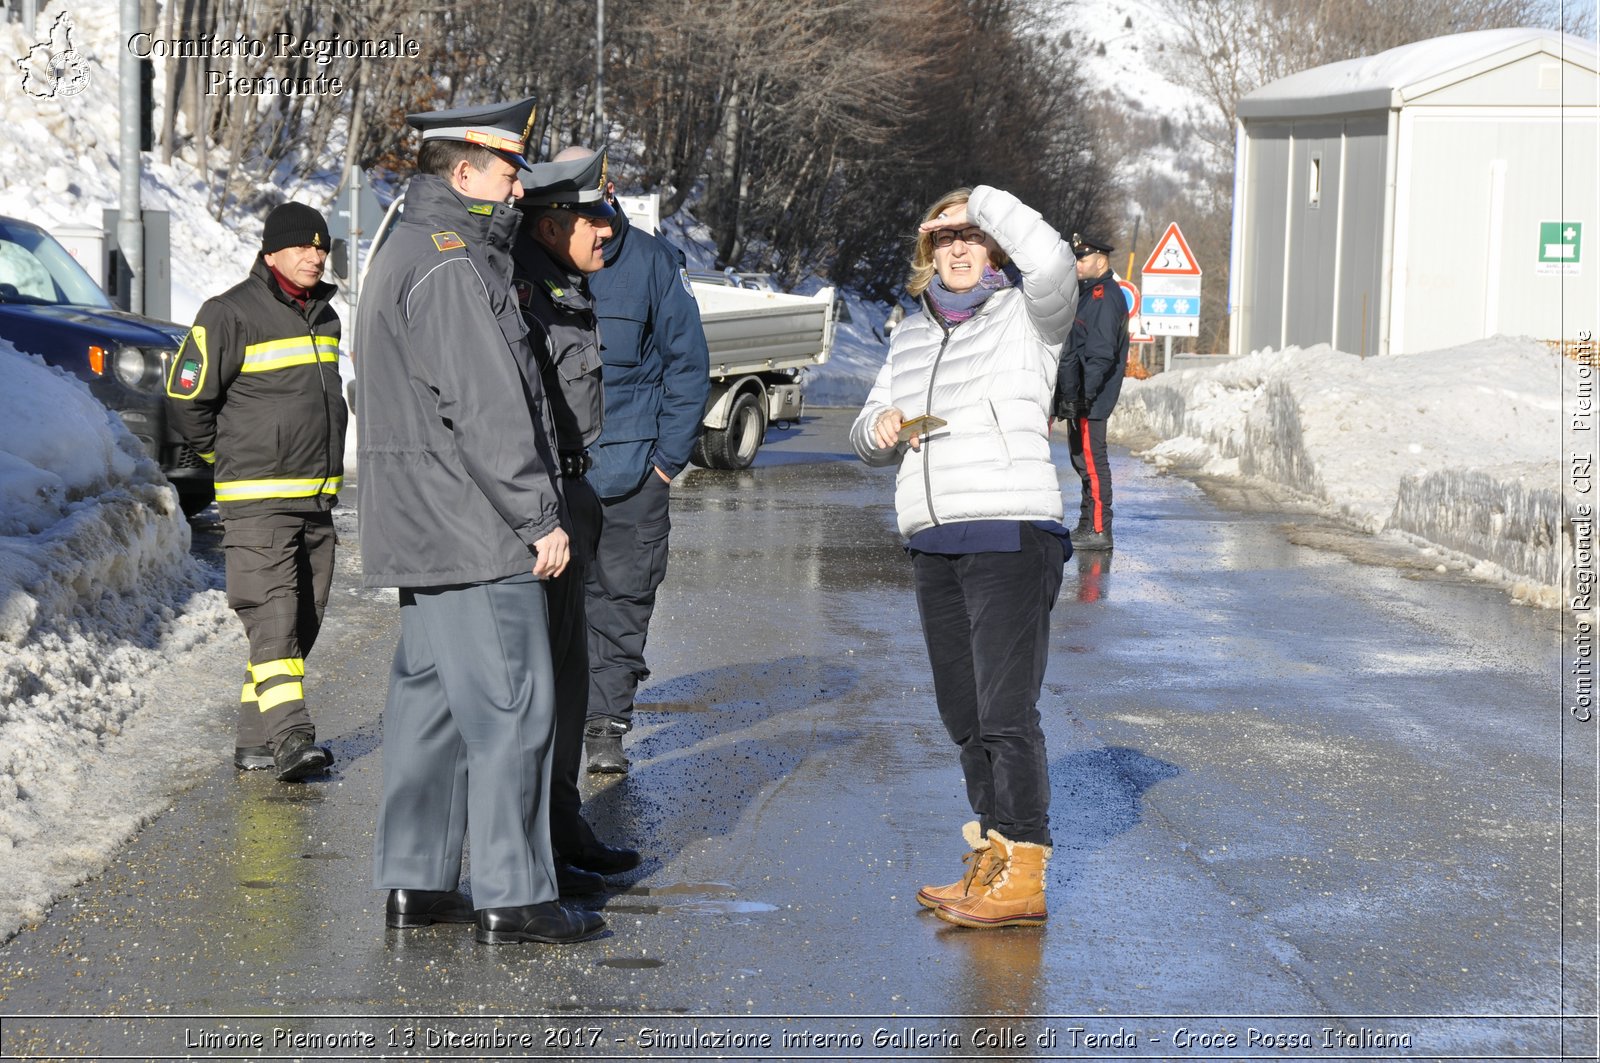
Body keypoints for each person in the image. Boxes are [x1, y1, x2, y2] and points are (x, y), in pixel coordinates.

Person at [357, 96, 603, 945]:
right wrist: (540, 516)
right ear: (463, 173)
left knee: (428, 707)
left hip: (424, 524)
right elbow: (490, 407)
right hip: (474, 524)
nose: (515, 188)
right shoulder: (453, 262)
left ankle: (418, 880)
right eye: (505, 171)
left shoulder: (404, 249)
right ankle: (515, 892)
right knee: (512, 709)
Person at [851, 185, 1076, 929]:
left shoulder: (1030, 315)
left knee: (1007, 711)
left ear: (993, 246)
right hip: (933, 540)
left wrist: (978, 197)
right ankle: (993, 853)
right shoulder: (910, 331)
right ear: (927, 252)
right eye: (943, 237)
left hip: (1011, 532)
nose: (956, 247)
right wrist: (877, 427)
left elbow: (1054, 259)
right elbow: (864, 426)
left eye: (970, 235)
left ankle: (1026, 866)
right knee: (964, 713)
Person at [165, 201, 345, 782]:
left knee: (302, 621)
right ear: (272, 252)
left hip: (315, 499)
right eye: (303, 246)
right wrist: (225, 460)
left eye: (322, 248)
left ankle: (255, 741)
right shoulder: (228, 313)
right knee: (271, 616)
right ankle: (293, 737)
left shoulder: (325, 316)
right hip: (257, 500)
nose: (316, 256)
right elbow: (186, 398)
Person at [510, 146, 642, 890]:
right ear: (554, 221)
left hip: (573, 490)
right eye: (595, 217)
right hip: (535, 501)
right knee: (529, 684)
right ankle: (527, 845)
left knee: (568, 672)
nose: (609, 230)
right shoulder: (514, 284)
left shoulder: (562, 280)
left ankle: (563, 822)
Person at [581, 163, 711, 774]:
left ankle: (606, 722)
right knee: (554, 603)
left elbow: (688, 366)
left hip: (635, 472)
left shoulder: (654, 262)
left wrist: (667, 462)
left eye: (602, 216)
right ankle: (560, 714)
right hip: (559, 471)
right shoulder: (539, 253)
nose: (596, 233)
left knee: (624, 600)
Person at [1054, 233, 1129, 551]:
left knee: (1093, 462)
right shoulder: (1087, 293)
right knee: (1082, 461)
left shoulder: (1104, 295)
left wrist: (1084, 394)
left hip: (1091, 396)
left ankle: (1099, 529)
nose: (1077, 264)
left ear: (1101, 260)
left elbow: (1100, 352)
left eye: (1082, 258)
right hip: (1080, 393)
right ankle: (1088, 524)